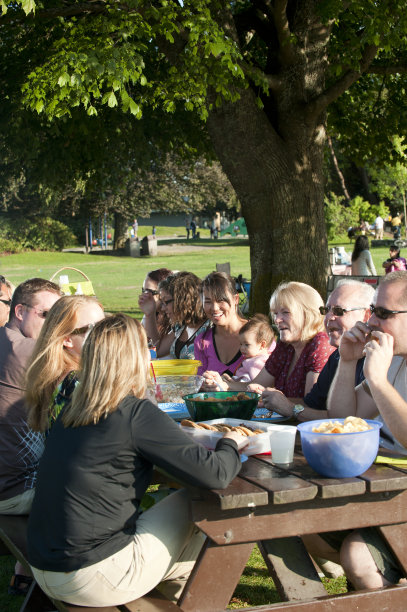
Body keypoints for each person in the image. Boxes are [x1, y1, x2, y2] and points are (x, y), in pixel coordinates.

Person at [27, 314, 247, 607]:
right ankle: (194, 592)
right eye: (146, 347)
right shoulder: (134, 413)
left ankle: (181, 587)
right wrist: (232, 442)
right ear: (135, 356)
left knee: (187, 525)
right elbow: (215, 474)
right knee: (197, 500)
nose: (151, 353)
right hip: (90, 575)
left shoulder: (71, 409)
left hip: (44, 566)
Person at [314, 270, 407, 590]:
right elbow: (345, 420)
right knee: (302, 525)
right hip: (384, 490)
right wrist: (348, 361)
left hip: (399, 500)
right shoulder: (393, 357)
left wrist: (379, 381)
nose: (373, 321)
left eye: (383, 313)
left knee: (357, 555)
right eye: (372, 312)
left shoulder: (387, 364)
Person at [0, 278, 62, 596]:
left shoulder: (5, 339)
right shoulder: (27, 352)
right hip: (14, 491)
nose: (54, 326)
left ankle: (23, 571)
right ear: (20, 310)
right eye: (47, 315)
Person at [258, 280, 374, 420]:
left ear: (367, 315)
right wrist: (272, 400)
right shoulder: (338, 355)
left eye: (338, 311)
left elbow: (348, 422)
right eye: (326, 310)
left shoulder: (379, 358)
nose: (329, 317)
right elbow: (312, 404)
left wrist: (290, 408)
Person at [203, 281, 335, 401]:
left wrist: (273, 399)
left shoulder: (319, 344)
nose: (277, 320)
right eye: (276, 313)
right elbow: (255, 384)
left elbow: (311, 403)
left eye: (285, 312)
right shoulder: (286, 345)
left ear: (308, 314)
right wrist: (223, 385)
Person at [25, 295, 105, 433]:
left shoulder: (54, 375)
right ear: (67, 339)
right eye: (94, 328)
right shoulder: (77, 382)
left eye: (105, 324)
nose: (106, 333)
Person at [195, 272, 247, 377]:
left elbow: (269, 382)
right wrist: (204, 384)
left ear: (236, 299)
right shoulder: (202, 342)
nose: (214, 308)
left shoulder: (259, 334)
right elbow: (199, 383)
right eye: (208, 302)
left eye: (221, 300)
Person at [205, 314, 275, 389]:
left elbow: (253, 384)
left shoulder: (258, 362)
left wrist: (229, 385)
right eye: (241, 344)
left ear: (262, 345)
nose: (242, 348)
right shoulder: (254, 359)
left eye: (247, 345)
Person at [155, 272, 210, 359]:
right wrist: (149, 314)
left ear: (183, 300)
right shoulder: (180, 325)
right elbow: (157, 351)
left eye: (166, 302)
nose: (163, 308)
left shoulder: (210, 328)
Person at [138, 268, 172, 346]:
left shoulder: (175, 319)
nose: (144, 296)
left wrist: (149, 315)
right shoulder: (150, 315)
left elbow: (155, 347)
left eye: (150, 292)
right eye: (143, 291)